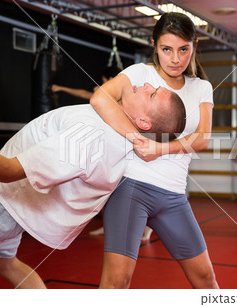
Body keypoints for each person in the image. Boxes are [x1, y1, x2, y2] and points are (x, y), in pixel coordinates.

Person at [0, 83, 186, 289]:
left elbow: (8, 172)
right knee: (7, 264)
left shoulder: (90, 137)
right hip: (16, 211)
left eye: (151, 94)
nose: (147, 84)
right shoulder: (121, 136)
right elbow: (103, 95)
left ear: (142, 122)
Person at [90, 12, 218, 289]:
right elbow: (100, 98)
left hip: (173, 195)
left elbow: (203, 138)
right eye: (166, 49)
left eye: (184, 49)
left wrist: (158, 149)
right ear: (154, 46)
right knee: (116, 282)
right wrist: (138, 139)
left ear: (194, 46)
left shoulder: (201, 88)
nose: (175, 59)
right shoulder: (140, 74)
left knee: (206, 278)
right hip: (132, 188)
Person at [51, 66, 121, 100]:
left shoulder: (121, 95)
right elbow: (84, 94)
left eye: (103, 81)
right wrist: (61, 88)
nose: (102, 83)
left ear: (111, 79)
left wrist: (99, 94)